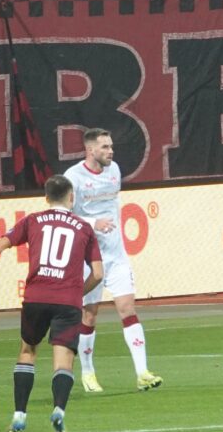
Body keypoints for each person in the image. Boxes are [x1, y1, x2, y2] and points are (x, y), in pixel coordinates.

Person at [0, 174, 103, 432]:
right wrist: (76, 293)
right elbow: (99, 274)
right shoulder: (84, 227)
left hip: (36, 298)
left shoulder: (32, 220)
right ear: (72, 197)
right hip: (67, 302)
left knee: (27, 351)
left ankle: (19, 414)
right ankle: (58, 410)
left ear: (46, 198)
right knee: (64, 361)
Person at [63, 128, 161, 393]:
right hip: (87, 258)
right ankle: (88, 373)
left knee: (127, 308)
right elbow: (65, 215)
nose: (111, 151)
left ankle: (142, 373)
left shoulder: (114, 170)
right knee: (89, 315)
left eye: (111, 146)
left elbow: (112, 206)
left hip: (116, 255)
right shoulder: (73, 177)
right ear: (90, 150)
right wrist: (94, 223)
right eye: (105, 147)